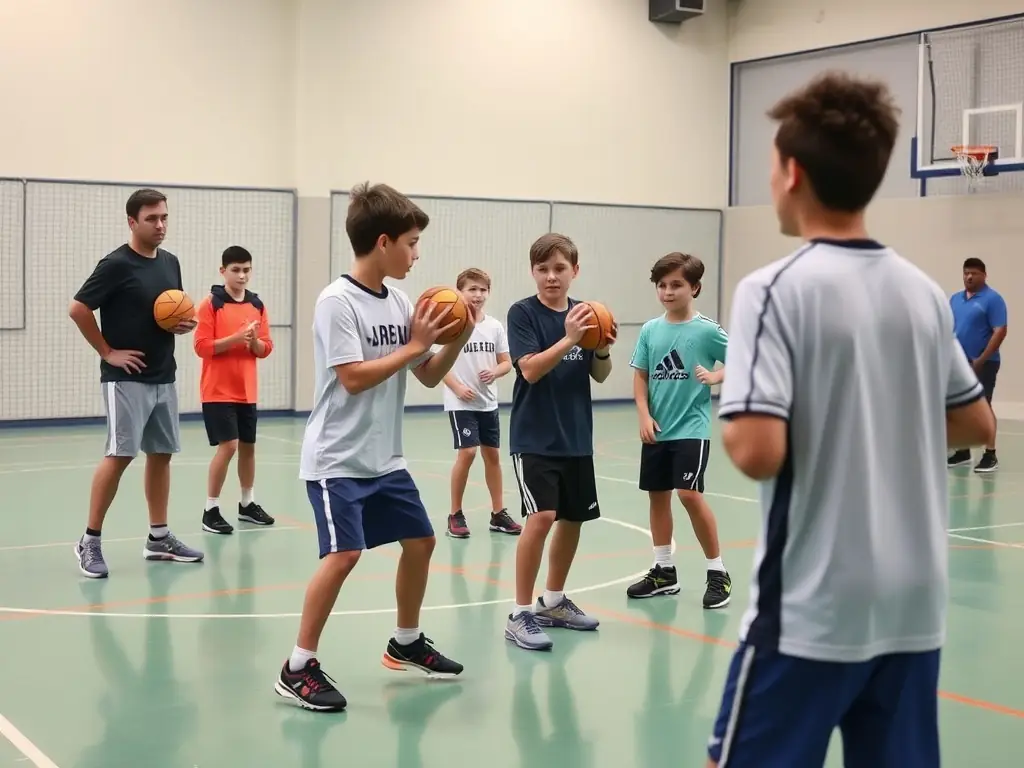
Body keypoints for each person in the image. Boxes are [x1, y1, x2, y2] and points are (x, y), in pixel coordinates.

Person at [706, 72, 995, 767]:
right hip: (914, 606)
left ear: (793, 172)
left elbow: (755, 450)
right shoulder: (922, 292)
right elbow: (977, 423)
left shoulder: (771, 289)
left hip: (813, 606)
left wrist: (735, 400)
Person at [275, 183, 473, 713]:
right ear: (383, 242)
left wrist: (454, 338)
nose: (417, 253)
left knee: (422, 542)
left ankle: (405, 641)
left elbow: (427, 376)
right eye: (411, 242)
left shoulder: (404, 301)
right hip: (337, 458)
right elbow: (353, 378)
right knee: (344, 555)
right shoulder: (336, 302)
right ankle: (297, 667)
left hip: (385, 458)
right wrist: (414, 345)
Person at [68, 188, 206, 579]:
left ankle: (158, 538)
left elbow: (163, 312)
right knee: (120, 455)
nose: (160, 225)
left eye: (164, 217)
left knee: (161, 454)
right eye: (152, 219)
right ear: (132, 222)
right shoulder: (115, 264)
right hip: (125, 380)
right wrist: (106, 351)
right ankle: (89, 540)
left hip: (164, 374)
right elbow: (78, 308)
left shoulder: (170, 262)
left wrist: (179, 325)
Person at [503, 233, 616, 652]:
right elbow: (530, 370)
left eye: (559, 269)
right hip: (535, 437)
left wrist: (600, 348)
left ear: (574, 271)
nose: (551, 276)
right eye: (543, 269)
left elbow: (599, 375)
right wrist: (569, 339)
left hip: (576, 436)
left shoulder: (587, 315)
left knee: (572, 518)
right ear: (533, 272)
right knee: (541, 517)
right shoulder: (523, 314)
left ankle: (552, 602)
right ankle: (519, 613)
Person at [626, 252, 730, 608]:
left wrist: (717, 376)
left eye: (676, 285)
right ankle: (663, 572)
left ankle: (718, 572)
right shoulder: (650, 330)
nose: (667, 292)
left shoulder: (707, 331)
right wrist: (643, 412)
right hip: (657, 428)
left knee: (688, 494)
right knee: (658, 496)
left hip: (692, 427)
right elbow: (640, 376)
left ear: (695, 287)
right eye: (662, 285)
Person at [193, 245, 276, 534]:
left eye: (246, 270)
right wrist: (236, 338)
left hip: (247, 390)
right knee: (229, 446)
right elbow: (202, 347)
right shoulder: (210, 305)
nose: (242, 276)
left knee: (248, 448)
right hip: (217, 390)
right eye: (236, 270)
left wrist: (253, 343)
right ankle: (210, 508)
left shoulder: (257, 305)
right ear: (223, 271)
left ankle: (247, 504)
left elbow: (266, 347)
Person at [441, 267, 520, 538]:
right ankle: (455, 514)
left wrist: (495, 372)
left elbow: (506, 363)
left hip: (488, 402)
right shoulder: (451, 325)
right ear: (460, 292)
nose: (478, 294)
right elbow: (438, 365)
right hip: (460, 402)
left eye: (482, 289)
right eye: (472, 289)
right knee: (468, 452)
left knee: (492, 456)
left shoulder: (494, 326)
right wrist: (458, 388)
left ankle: (498, 513)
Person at [948, 257, 1007, 473]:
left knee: (983, 406)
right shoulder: (955, 299)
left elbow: (1000, 330)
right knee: (958, 406)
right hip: (959, 364)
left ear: (984, 275)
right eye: (966, 273)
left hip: (985, 363)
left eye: (973, 273)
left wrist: (980, 360)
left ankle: (990, 455)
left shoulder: (993, 299)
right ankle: (962, 451)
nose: (969, 277)